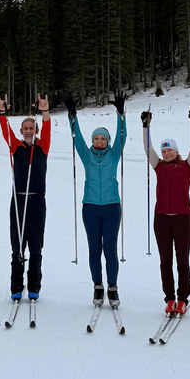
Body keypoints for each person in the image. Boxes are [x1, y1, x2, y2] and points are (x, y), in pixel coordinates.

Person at [61, 90, 127, 308]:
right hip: (90, 208)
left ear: (107, 141)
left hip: (111, 207)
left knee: (110, 250)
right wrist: (73, 115)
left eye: (103, 138)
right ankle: (98, 286)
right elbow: (76, 136)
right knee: (93, 250)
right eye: (96, 138)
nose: (99, 141)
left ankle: (113, 287)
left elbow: (122, 136)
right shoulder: (86, 154)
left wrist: (121, 115)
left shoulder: (114, 154)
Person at [141, 107, 190, 315]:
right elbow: (148, 148)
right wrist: (145, 127)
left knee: (182, 261)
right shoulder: (158, 166)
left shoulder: (187, 166)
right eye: (164, 150)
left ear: (176, 151)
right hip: (162, 220)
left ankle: (183, 298)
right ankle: (169, 298)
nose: (166, 153)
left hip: (182, 219)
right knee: (165, 261)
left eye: (170, 150)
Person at [0, 93, 51, 301]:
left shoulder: (42, 147)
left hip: (37, 201)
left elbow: (47, 129)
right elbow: (5, 130)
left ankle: (34, 286)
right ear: (21, 132)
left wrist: (45, 111)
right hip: (19, 201)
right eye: (25, 129)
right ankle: (16, 286)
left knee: (36, 246)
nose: (29, 131)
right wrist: (2, 112)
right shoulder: (16, 146)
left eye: (32, 128)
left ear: (35, 130)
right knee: (17, 245)